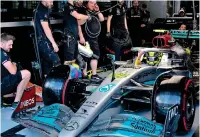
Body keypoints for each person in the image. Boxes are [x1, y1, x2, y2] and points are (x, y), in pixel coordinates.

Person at [1, 33, 31, 109]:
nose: (11, 47)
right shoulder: (2, 53)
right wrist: (14, 64)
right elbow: (13, 71)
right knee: (26, 73)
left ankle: (5, 98)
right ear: (1, 44)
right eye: (9, 45)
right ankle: (16, 103)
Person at [78, 0, 104, 80]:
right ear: (87, 3)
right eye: (91, 3)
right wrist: (81, 37)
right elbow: (78, 23)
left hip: (94, 38)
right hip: (85, 37)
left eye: (94, 3)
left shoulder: (94, 12)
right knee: (85, 56)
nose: (93, 5)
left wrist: (98, 11)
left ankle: (94, 74)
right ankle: (85, 75)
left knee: (95, 56)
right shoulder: (82, 10)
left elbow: (102, 19)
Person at [34, 0, 61, 77]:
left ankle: (48, 85)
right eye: (51, 1)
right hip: (43, 40)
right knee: (56, 61)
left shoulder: (42, 8)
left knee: (47, 65)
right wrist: (54, 43)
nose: (52, 3)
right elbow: (46, 29)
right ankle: (57, 84)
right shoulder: (41, 10)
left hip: (41, 40)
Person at [63, 0, 90, 65]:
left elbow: (78, 23)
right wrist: (87, 17)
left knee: (74, 58)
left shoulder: (73, 7)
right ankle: (68, 74)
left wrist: (85, 18)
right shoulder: (68, 6)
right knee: (69, 59)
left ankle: (74, 74)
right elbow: (77, 16)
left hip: (74, 37)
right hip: (69, 36)